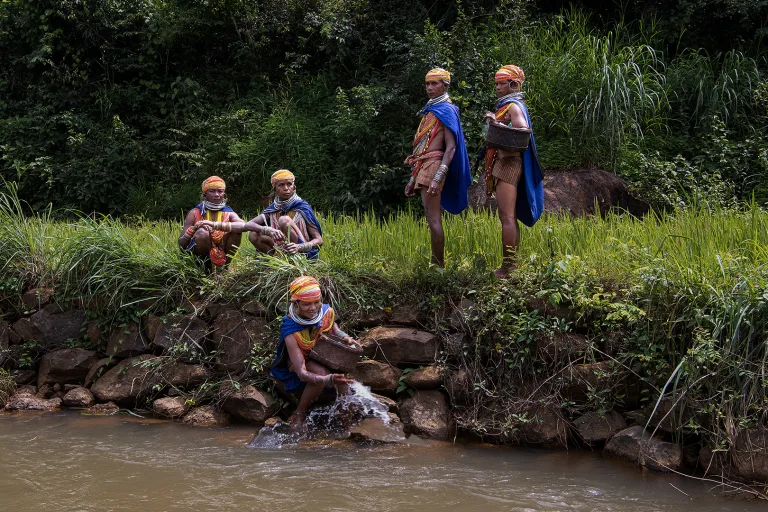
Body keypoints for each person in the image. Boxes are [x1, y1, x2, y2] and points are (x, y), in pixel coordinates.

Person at [270, 276, 360, 431]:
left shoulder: (325, 311)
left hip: (322, 355)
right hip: (302, 361)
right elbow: (302, 373)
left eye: (316, 302)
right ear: (295, 303)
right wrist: (328, 379)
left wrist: (345, 337)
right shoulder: (290, 330)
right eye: (306, 304)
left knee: (344, 384)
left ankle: (345, 423)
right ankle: (300, 412)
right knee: (321, 372)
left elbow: (334, 327)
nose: (313, 308)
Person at [404, 67, 472, 267]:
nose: (430, 88)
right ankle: (436, 265)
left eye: (435, 83)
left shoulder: (446, 110)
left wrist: (437, 177)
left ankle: (438, 266)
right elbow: (422, 147)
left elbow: (451, 148)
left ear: (445, 85)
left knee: (434, 220)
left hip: (434, 166)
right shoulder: (430, 110)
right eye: (427, 83)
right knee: (430, 218)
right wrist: (412, 179)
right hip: (424, 165)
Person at [482, 65, 544, 278]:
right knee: (509, 216)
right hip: (505, 164)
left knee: (507, 216)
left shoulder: (513, 106)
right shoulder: (508, 105)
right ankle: (512, 264)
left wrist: (495, 122)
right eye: (497, 83)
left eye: (502, 83)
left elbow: (522, 132)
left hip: (509, 165)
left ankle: (507, 268)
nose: (498, 87)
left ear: (514, 85)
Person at [247, 170, 323, 259]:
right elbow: (248, 224)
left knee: (284, 220)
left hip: (301, 251)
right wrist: (269, 230)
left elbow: (319, 240)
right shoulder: (274, 208)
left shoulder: (302, 207)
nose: (286, 188)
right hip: (279, 247)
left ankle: (295, 260)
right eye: (281, 185)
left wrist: (300, 247)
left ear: (294, 187)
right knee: (253, 235)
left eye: (289, 184)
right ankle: (276, 260)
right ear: (275, 189)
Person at [178, 175, 244, 268]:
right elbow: (181, 244)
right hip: (198, 253)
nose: (217, 194)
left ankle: (225, 267)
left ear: (224, 194)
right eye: (212, 191)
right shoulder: (194, 213)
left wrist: (215, 225)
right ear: (205, 194)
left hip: (222, 247)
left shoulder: (228, 212)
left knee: (236, 231)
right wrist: (194, 229)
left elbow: (243, 225)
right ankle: (205, 269)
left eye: (220, 191)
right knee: (202, 233)